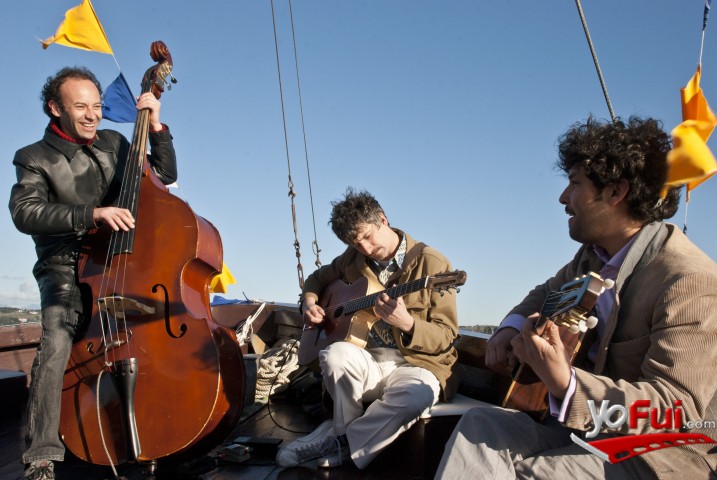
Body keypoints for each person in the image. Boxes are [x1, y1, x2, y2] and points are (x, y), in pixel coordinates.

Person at [436, 116, 717, 479]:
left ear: (616, 193)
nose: (563, 198)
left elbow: (675, 411)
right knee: (481, 427)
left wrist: (566, 384)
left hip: (661, 456)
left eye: (574, 183)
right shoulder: (592, 257)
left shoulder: (688, 279)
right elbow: (544, 293)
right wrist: (511, 327)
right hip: (588, 433)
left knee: (537, 474)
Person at [9, 66, 177, 480]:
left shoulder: (116, 143)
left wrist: (155, 127)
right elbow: (24, 212)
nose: (92, 115)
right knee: (55, 345)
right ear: (55, 108)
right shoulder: (33, 157)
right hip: (65, 265)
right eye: (80, 106)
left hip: (119, 261)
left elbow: (165, 176)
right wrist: (93, 213)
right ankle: (42, 455)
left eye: (97, 106)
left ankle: (157, 425)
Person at [276, 187, 459, 470]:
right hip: (371, 360)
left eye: (367, 237)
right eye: (355, 242)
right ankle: (343, 436)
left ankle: (340, 439)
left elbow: (446, 337)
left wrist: (407, 323)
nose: (364, 248)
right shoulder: (353, 259)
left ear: (383, 220)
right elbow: (315, 278)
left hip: (417, 364)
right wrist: (309, 304)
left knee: (416, 397)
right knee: (335, 355)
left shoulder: (432, 263)